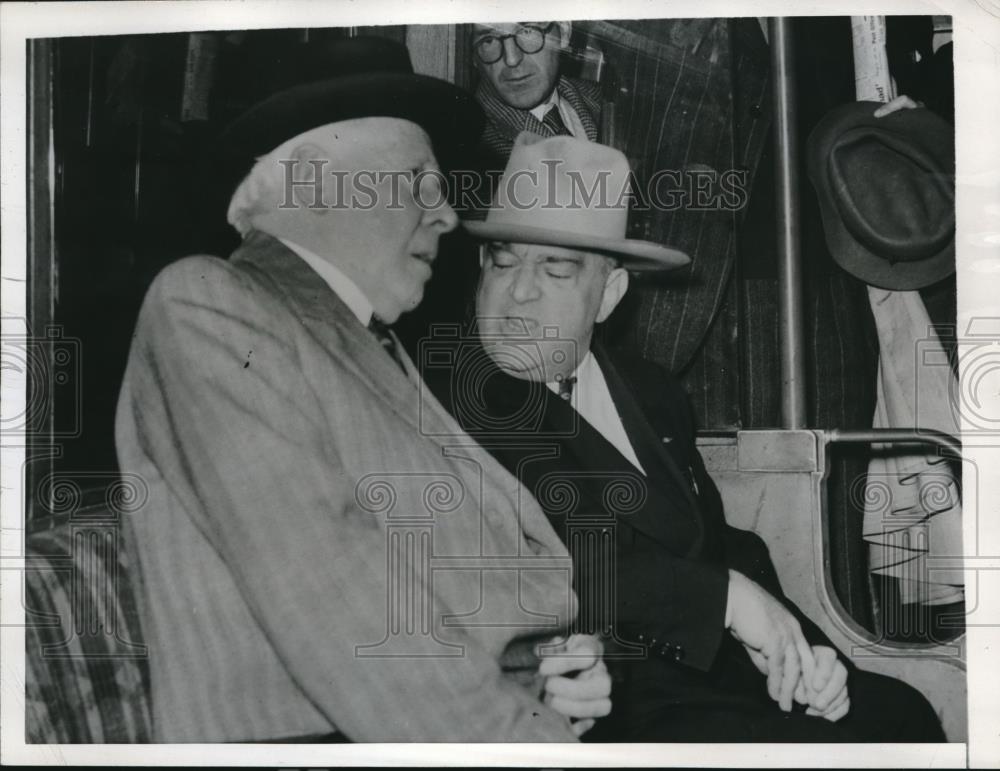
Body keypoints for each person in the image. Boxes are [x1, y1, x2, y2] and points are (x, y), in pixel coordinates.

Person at [114, 37, 611, 743]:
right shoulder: (206, 302)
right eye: (427, 188)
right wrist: (533, 738)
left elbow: (431, 574)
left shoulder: (363, 338)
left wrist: (545, 665)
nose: (447, 218)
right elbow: (341, 609)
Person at [425, 130, 947, 741]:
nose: (517, 292)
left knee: (898, 713)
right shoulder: (446, 396)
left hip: (712, 669)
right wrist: (726, 600)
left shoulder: (650, 391)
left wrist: (805, 652)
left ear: (609, 295)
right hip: (601, 692)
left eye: (555, 270)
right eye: (503, 261)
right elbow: (542, 563)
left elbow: (724, 547)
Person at [471, 21, 601, 170]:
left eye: (527, 31)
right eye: (489, 40)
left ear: (564, 33)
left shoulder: (606, 100)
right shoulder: (470, 146)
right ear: (474, 55)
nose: (511, 59)